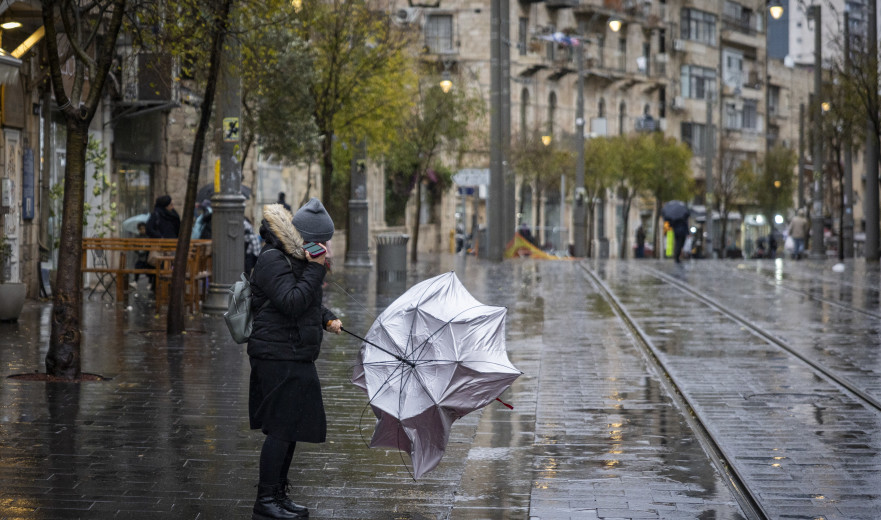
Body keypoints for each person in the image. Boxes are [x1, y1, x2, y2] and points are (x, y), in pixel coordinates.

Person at [247, 198, 342, 520]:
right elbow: (289, 301)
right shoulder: (272, 259)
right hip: (275, 354)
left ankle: (279, 494)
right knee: (281, 429)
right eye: (322, 241)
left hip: (296, 353)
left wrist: (327, 318)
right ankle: (265, 500)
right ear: (307, 238)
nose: (326, 247)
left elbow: (304, 300)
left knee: (292, 427)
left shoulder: (297, 257)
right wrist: (316, 269)